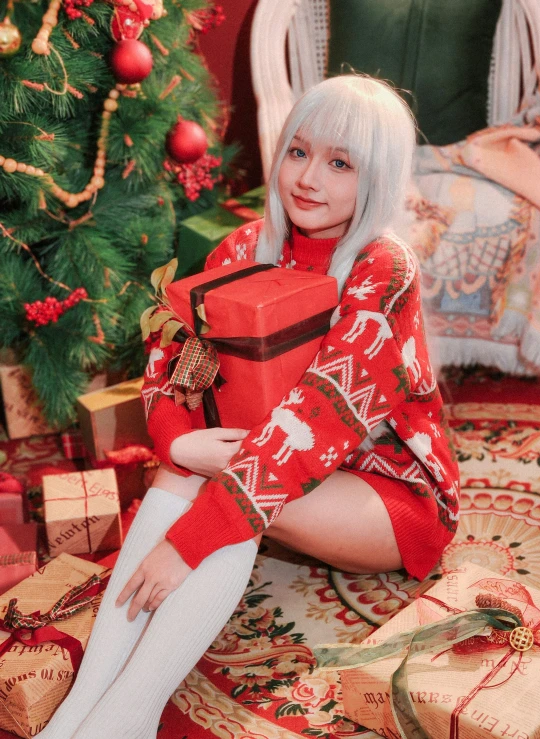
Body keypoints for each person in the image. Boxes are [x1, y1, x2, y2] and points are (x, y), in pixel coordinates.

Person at [38, 74, 460, 739]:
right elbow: (164, 359)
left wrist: (193, 537)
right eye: (299, 151)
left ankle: (129, 713)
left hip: (388, 493)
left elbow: (323, 415)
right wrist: (176, 442)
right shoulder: (247, 248)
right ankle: (83, 715)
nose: (308, 177)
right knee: (191, 465)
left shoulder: (385, 267)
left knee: (220, 484)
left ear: (375, 176)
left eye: (340, 162)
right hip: (275, 464)